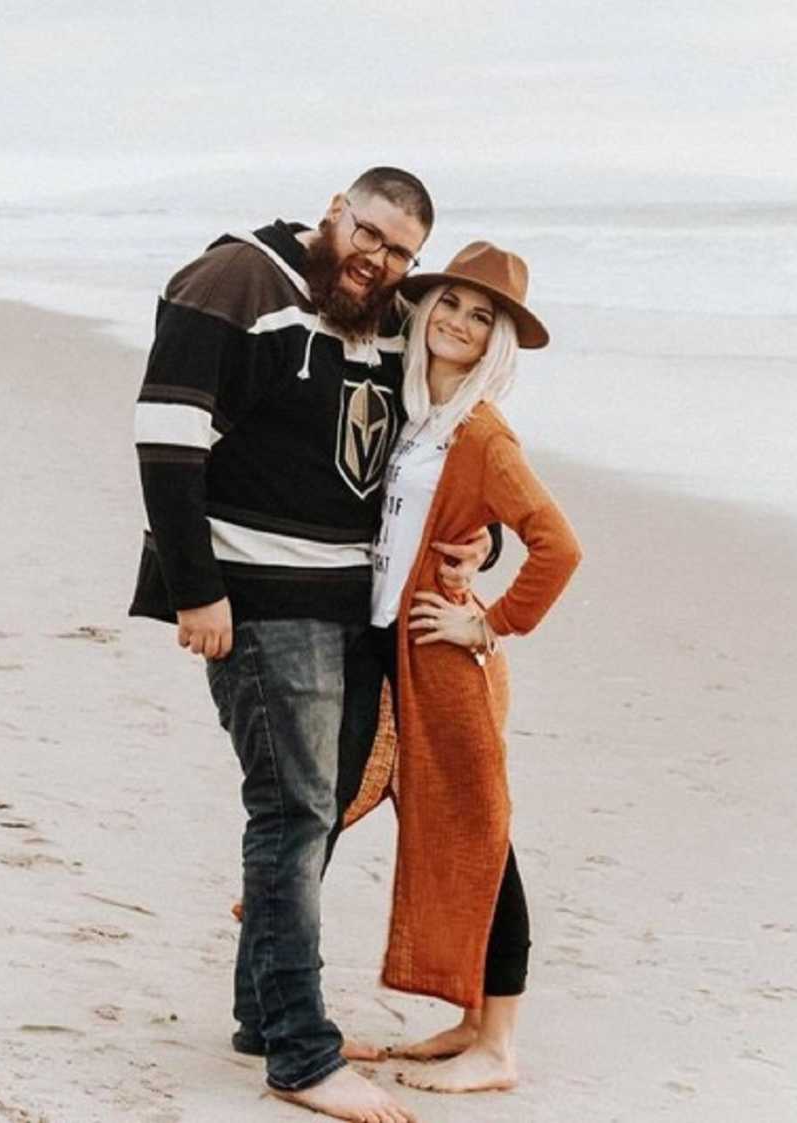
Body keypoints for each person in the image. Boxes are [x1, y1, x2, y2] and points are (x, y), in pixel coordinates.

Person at [129, 168, 499, 1123]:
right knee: (293, 809)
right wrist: (195, 589)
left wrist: (485, 537)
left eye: (400, 253)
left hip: (354, 606)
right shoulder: (237, 281)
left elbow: (420, 448)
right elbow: (168, 440)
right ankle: (301, 1050)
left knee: (318, 807)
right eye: (369, 234)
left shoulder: (379, 317)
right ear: (336, 208)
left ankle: (261, 1013)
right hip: (256, 598)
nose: (378, 260)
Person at [342, 241, 582, 1094]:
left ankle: (498, 1047)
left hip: (446, 661)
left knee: (482, 837)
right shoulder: (414, 415)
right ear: (424, 308)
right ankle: (470, 1021)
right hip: (393, 653)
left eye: (481, 317)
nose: (459, 322)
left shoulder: (480, 431)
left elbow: (559, 544)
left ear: (496, 343)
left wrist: (489, 624)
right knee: (440, 829)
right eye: (450, 303)